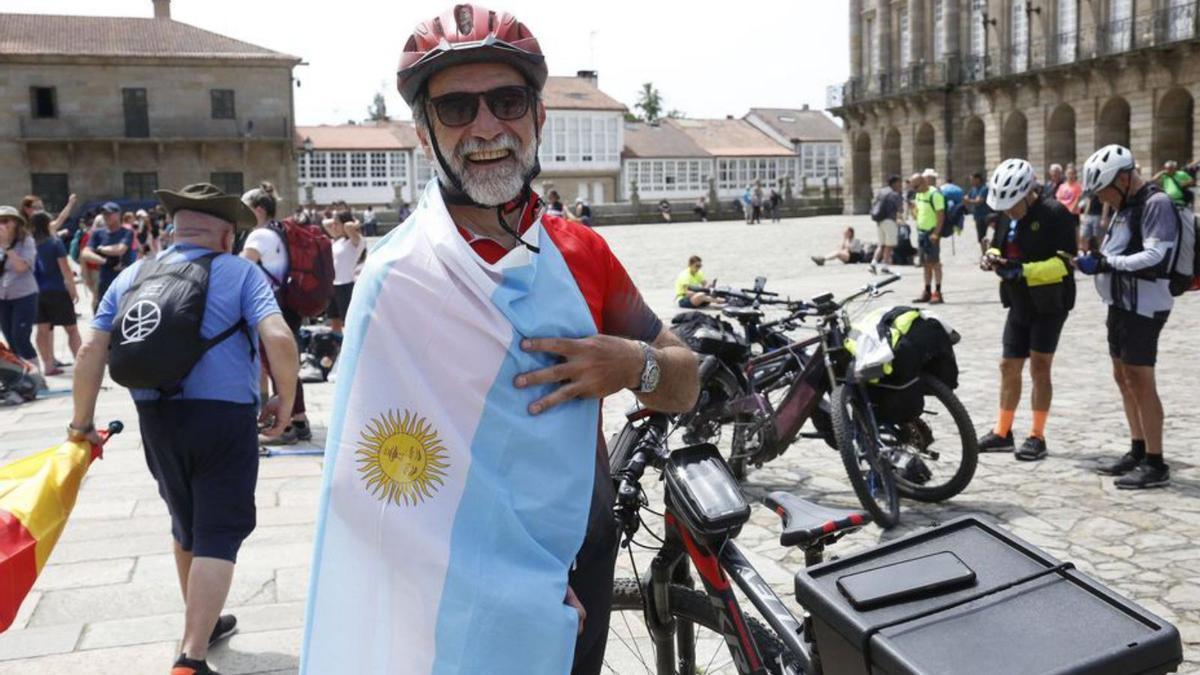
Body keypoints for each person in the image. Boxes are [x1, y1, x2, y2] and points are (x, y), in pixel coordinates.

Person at [302, 6, 700, 674]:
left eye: (506, 101)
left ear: (537, 117)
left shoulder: (581, 253)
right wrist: (510, 591)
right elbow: (371, 485)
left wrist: (632, 363)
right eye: (456, 108)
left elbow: (685, 381)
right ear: (425, 135)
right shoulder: (398, 280)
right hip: (459, 585)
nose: (486, 126)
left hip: (584, 550)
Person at [67, 183, 299, 675]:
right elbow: (277, 335)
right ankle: (191, 658)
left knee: (185, 522)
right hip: (223, 417)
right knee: (219, 530)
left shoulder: (131, 274)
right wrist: (285, 397)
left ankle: (204, 623)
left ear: (175, 229)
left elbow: (90, 353)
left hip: (156, 416)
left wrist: (81, 424)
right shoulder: (239, 272)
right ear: (226, 235)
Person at [1077, 145, 1176, 489]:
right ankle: (1137, 448)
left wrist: (1107, 263)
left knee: (1140, 379)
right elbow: (1115, 250)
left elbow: (1155, 254)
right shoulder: (1123, 207)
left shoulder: (1156, 204)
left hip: (1145, 307)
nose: (1100, 196)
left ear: (1122, 178)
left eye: (1103, 188)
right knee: (1123, 376)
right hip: (1120, 304)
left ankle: (1155, 462)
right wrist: (1093, 258)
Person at [976, 159, 1077, 461]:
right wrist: (991, 257)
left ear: (1028, 193)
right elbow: (998, 247)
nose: (1008, 211)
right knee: (1008, 366)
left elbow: (1063, 263)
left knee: (1040, 367)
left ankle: (1037, 435)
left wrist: (1022, 271)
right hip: (1018, 301)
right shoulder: (1007, 215)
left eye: (1013, 205)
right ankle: (1002, 432)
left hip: (1049, 302)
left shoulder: (1055, 213)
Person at [240, 183, 313, 447]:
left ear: (258, 209)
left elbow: (240, 268)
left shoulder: (258, 236)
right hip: (286, 304)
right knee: (287, 363)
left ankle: (288, 426)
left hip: (268, 307)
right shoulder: (278, 232)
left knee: (276, 366)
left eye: (245, 208)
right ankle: (300, 418)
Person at [31, 212, 81, 375]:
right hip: (57, 290)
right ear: (47, 225)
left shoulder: (28, 244)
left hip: (36, 292)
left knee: (42, 329)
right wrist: (73, 289)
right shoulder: (54, 242)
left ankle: (48, 365)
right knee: (72, 329)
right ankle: (81, 364)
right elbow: (65, 268)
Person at [0, 206, 39, 370]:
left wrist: (7, 247)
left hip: (24, 294)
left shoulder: (26, 241)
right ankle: (21, 377)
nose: (2, 225)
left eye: (5, 221)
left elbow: (22, 267)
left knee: (21, 337)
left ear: (16, 223)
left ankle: (37, 375)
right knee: (10, 339)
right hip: (3, 296)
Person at [79, 202, 134, 311]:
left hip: (124, 281)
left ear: (118, 215)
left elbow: (120, 249)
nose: (106, 216)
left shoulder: (127, 232)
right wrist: (104, 261)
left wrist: (100, 249)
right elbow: (85, 253)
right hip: (104, 281)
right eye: (104, 213)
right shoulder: (97, 234)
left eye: (109, 213)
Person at [326, 209, 365, 335]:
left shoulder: (355, 241)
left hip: (346, 285)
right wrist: (335, 219)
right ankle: (337, 347)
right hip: (333, 285)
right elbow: (325, 223)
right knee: (334, 320)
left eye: (337, 223)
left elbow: (348, 227)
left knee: (348, 322)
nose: (333, 226)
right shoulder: (338, 241)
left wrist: (356, 222)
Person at [911, 174, 945, 303]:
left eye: (916, 186)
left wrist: (936, 233)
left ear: (924, 182)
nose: (914, 189)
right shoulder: (918, 195)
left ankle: (938, 292)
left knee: (935, 263)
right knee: (925, 264)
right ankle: (927, 291)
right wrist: (912, 210)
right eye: (913, 187)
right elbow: (917, 214)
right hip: (921, 233)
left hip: (932, 233)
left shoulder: (935, 194)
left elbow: (941, 216)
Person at [870, 175, 903, 274]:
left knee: (882, 244)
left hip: (879, 221)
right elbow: (900, 209)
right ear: (895, 183)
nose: (900, 185)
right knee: (889, 245)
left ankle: (873, 263)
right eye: (899, 183)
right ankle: (885, 266)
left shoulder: (881, 191)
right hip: (889, 221)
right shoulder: (894, 194)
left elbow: (874, 203)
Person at [963, 172, 992, 254]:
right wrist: (968, 200)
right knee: (981, 237)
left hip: (986, 216)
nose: (971, 182)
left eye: (972, 180)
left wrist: (968, 201)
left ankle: (988, 253)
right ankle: (984, 254)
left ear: (977, 179)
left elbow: (979, 201)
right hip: (978, 216)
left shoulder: (984, 189)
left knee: (988, 236)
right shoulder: (973, 189)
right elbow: (967, 197)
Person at [1056, 165, 1085, 234]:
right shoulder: (1062, 186)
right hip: (1062, 214)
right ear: (1065, 174)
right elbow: (1058, 199)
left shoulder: (1078, 186)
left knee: (1074, 234)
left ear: (1075, 175)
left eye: (1072, 174)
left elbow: (1077, 200)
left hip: (1073, 214)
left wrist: (1069, 212)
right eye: (1069, 173)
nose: (1070, 176)